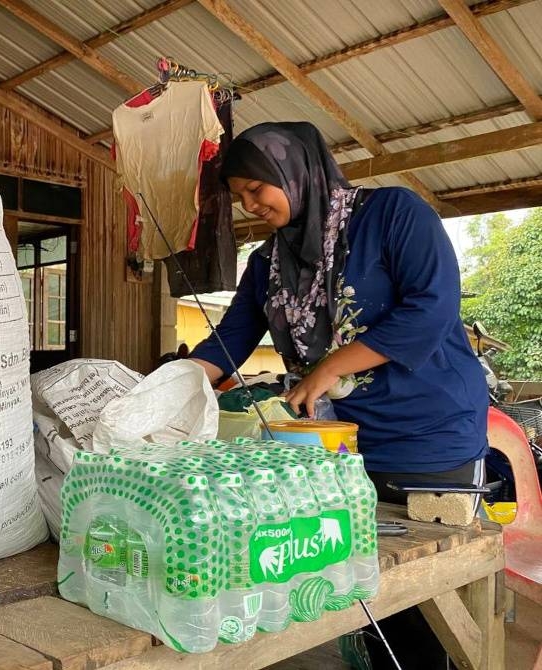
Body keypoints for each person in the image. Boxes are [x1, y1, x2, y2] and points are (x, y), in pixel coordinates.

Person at [187, 121, 489, 669]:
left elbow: (432, 307)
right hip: (332, 451)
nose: (249, 204)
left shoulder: (394, 214)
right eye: (239, 197)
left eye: (257, 188)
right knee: (363, 595)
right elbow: (229, 340)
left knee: (424, 603)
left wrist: (329, 367)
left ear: (293, 171)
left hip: (426, 442)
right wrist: (167, 388)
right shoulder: (268, 262)